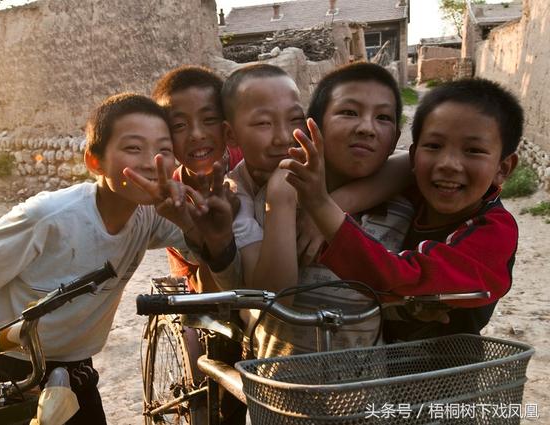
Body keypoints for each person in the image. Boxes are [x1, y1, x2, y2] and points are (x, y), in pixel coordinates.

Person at [0, 93, 216, 422]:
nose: (149, 161)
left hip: (69, 367)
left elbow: (204, 247)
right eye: (133, 148)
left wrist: (190, 216)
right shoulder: (51, 216)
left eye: (163, 150)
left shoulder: (152, 215)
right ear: (94, 161)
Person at [281, 77, 522, 342]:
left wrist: (321, 206)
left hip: (446, 374)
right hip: (379, 366)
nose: (449, 164)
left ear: (503, 168)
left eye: (473, 150)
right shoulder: (411, 195)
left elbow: (399, 276)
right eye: (433, 146)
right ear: (414, 155)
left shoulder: (494, 232)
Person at [221, 63, 413, 357]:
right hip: (279, 385)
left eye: (383, 117)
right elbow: (275, 303)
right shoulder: (253, 199)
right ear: (316, 126)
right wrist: (283, 199)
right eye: (349, 112)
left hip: (368, 390)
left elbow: (410, 164)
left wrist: (328, 206)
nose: (365, 127)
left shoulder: (403, 203)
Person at [152, 65, 243, 293]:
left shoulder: (249, 162)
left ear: (227, 126)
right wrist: (203, 233)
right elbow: (203, 292)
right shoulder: (173, 200)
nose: (196, 134)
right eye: (179, 125)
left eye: (209, 119)